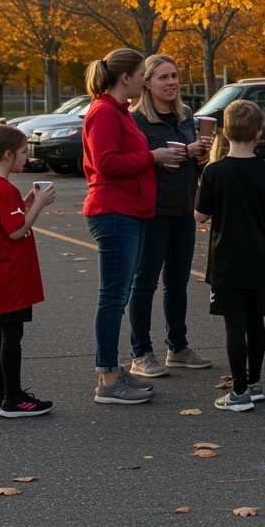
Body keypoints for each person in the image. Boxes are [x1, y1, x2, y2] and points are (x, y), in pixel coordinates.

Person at [83, 48, 186, 405]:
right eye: (143, 74)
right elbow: (106, 162)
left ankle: (112, 371)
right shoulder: (103, 113)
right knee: (112, 297)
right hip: (113, 211)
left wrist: (157, 160)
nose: (146, 80)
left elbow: (124, 159)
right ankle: (108, 380)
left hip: (130, 211)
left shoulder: (119, 112)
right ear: (125, 77)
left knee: (118, 295)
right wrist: (152, 157)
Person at [195, 100, 265, 411]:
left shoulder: (214, 171)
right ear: (259, 134)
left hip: (226, 260)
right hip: (260, 258)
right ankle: (254, 381)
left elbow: (200, 216)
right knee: (255, 321)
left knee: (233, 325)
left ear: (224, 132)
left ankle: (238, 392)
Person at [127, 55, 213, 377]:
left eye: (174, 76)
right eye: (163, 77)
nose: (171, 82)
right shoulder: (135, 120)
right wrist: (169, 155)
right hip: (152, 210)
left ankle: (177, 348)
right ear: (146, 83)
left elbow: (193, 162)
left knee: (177, 283)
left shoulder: (186, 115)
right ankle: (141, 353)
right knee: (144, 282)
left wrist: (201, 154)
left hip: (183, 209)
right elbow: (135, 161)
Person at [0, 124, 56, 418]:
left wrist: (28, 202)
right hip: (9, 276)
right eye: (23, 152)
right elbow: (16, 231)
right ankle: (14, 398)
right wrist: (40, 205)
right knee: (11, 335)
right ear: (8, 155)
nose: (26, 157)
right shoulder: (4, 189)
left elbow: (4, 222)